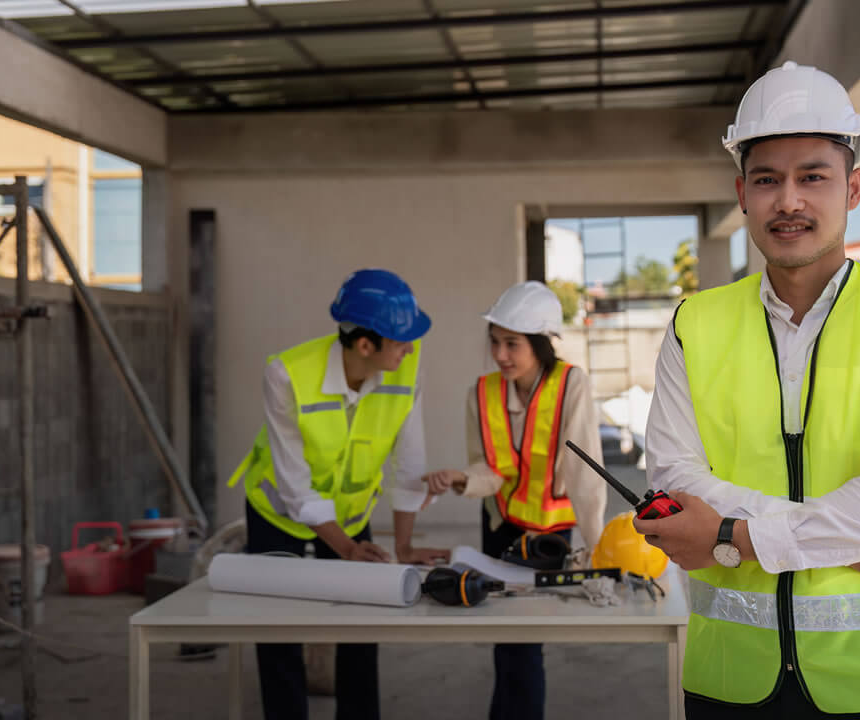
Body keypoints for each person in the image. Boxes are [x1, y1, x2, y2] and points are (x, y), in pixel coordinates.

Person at [634, 61, 860, 719]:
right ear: (741, 193)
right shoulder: (695, 325)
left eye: (812, 176)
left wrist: (735, 534)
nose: (788, 201)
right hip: (729, 677)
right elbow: (674, 477)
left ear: (853, 188)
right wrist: (844, 536)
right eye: (767, 180)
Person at [227, 268, 449, 720]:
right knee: (278, 638)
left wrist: (402, 546)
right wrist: (346, 550)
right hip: (276, 515)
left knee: (360, 631)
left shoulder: (406, 366)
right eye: (400, 340)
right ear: (365, 345)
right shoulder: (286, 374)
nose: (409, 349)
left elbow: (408, 461)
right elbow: (295, 486)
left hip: (349, 518)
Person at [423, 281, 607, 720]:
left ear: (541, 344)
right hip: (499, 526)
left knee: (526, 640)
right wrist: (462, 477)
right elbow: (490, 470)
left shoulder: (571, 385)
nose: (500, 354)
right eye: (494, 343)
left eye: (512, 344)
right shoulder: (480, 394)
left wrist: (599, 549)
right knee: (505, 636)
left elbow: (585, 474)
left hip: (550, 532)